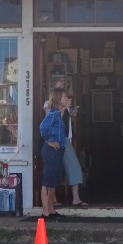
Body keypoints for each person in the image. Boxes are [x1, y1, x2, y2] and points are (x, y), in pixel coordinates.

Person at [38, 87, 69, 220]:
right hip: (51, 150)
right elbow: (43, 127)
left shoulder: (61, 112)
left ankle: (51, 209)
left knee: (54, 181)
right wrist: (49, 141)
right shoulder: (53, 113)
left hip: (58, 150)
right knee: (48, 180)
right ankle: (45, 211)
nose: (67, 99)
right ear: (58, 99)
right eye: (64, 97)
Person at [62, 95, 87, 206]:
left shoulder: (64, 109)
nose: (67, 98)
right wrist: (64, 108)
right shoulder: (54, 108)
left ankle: (75, 198)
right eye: (64, 96)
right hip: (62, 141)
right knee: (74, 167)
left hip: (66, 140)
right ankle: (75, 198)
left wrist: (70, 114)